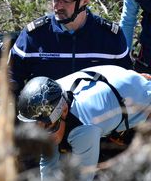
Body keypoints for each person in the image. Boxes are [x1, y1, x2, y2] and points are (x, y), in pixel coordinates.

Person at [9, 0, 132, 95]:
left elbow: (127, 84)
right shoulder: (33, 35)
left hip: (95, 115)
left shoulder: (111, 36)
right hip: (44, 115)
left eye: (65, 1)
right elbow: (10, 78)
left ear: (85, 1)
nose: (58, 6)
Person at [16, 65, 151, 181]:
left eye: (48, 127)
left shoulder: (85, 129)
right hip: (116, 82)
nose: (43, 136)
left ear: (64, 111)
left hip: (140, 97)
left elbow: (83, 177)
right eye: (36, 128)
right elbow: (48, 162)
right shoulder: (47, 95)